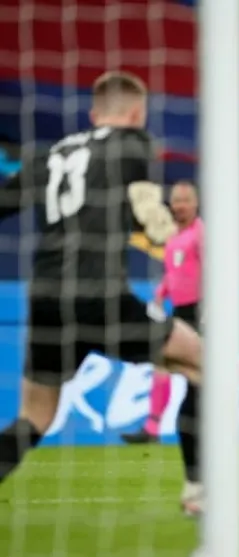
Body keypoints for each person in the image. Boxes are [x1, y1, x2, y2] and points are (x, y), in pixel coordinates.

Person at [0, 71, 208, 514]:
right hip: (100, 294)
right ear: (136, 113)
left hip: (45, 299)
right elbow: (144, 202)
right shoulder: (133, 144)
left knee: (35, 416)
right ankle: (199, 490)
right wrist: (162, 228)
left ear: (94, 114)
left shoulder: (48, 156)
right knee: (204, 364)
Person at [120, 180, 239, 445]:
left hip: (199, 310)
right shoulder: (173, 236)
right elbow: (176, 273)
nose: (180, 205)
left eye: (185, 200)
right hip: (179, 310)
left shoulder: (201, 234)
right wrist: (160, 295)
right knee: (162, 363)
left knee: (211, 368)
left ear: (196, 204)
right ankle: (152, 428)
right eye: (176, 200)